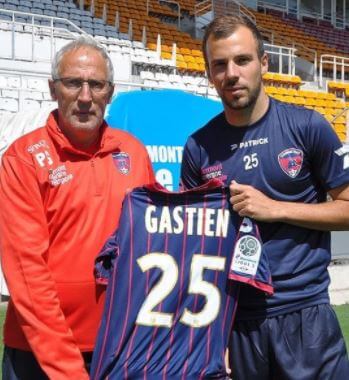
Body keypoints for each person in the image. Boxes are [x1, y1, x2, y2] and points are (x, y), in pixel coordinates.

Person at [180, 14, 349, 380]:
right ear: (209, 73)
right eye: (220, 64)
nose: (232, 73)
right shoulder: (198, 147)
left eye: (242, 60)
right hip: (235, 322)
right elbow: (197, 247)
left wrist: (275, 209)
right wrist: (209, 331)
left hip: (306, 316)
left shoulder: (308, 127)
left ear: (264, 63)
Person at [0, 36, 155, 379]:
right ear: (53, 89)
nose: (85, 97)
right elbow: (27, 275)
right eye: (73, 83)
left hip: (118, 347)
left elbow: (154, 247)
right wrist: (66, 369)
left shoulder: (134, 152)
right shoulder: (23, 159)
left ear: (109, 92)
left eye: (95, 84)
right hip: (38, 356)